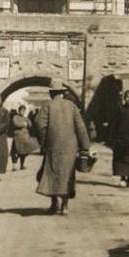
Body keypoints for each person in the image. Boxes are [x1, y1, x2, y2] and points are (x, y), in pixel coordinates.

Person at [35, 79, 90, 215]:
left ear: (51, 93)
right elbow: (81, 128)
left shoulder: (47, 106)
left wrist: (43, 142)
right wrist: (85, 147)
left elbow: (39, 125)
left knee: (52, 173)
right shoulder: (72, 106)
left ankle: (54, 204)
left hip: (53, 146)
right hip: (70, 147)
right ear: (63, 93)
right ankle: (65, 206)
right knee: (68, 175)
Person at [10, 104, 38, 170]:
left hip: (25, 137)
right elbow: (15, 123)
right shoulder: (15, 117)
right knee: (15, 152)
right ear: (19, 111)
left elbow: (30, 124)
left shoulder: (26, 118)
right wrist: (23, 124)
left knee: (24, 152)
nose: (22, 112)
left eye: (23, 110)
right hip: (17, 137)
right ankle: (14, 166)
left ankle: (22, 165)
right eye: (21, 110)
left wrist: (28, 122)